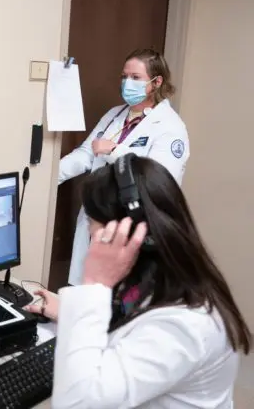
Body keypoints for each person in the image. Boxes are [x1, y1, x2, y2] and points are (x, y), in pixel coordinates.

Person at [26, 155, 250, 408]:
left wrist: (94, 283)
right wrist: (71, 312)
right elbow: (128, 316)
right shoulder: (161, 276)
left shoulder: (185, 326)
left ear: (125, 232)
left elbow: (77, 403)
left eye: (91, 221)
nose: (89, 231)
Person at [59, 48, 189, 285]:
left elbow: (158, 182)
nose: (127, 83)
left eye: (136, 78)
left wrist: (114, 152)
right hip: (96, 217)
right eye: (124, 76)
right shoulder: (114, 115)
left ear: (156, 82)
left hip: (130, 226)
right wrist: (45, 177)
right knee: (86, 293)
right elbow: (86, 154)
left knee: (118, 300)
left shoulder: (170, 127)